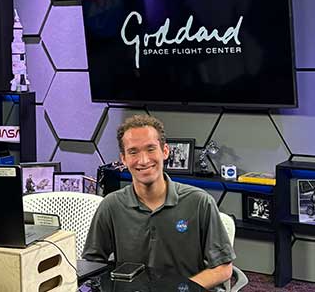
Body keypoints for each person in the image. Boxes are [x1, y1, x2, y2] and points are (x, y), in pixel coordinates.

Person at [83, 115, 234, 291]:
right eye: (133, 152)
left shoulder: (199, 202)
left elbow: (223, 268)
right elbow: (92, 264)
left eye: (150, 149)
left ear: (165, 151)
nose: (144, 160)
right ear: (123, 159)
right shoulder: (111, 205)